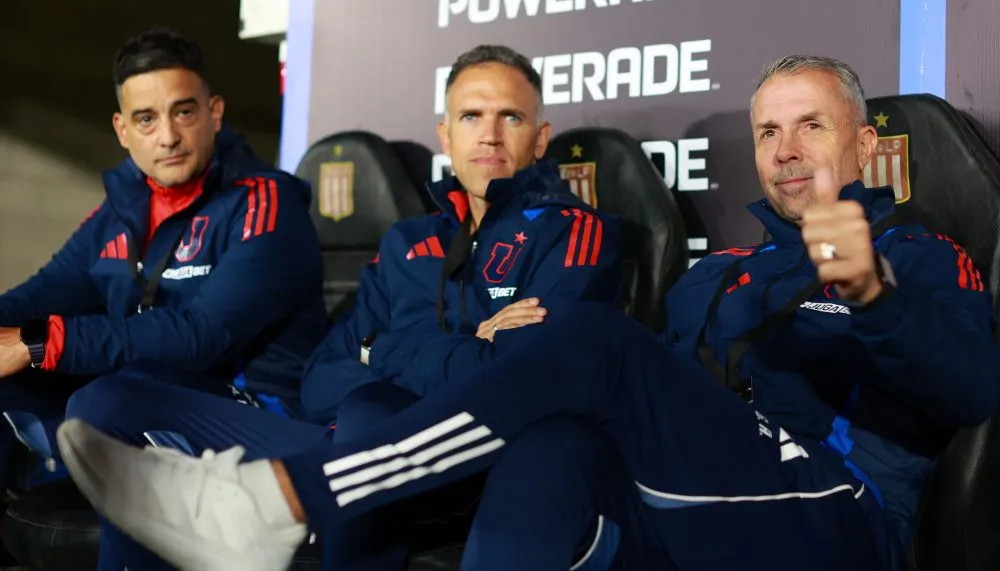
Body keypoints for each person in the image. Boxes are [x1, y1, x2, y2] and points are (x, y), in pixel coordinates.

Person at [57, 55, 1000, 571]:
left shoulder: (920, 256)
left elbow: (974, 387)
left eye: (813, 126)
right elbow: (669, 390)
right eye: (768, 130)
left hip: (838, 511)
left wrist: (872, 294)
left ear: (867, 140)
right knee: (554, 436)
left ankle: (280, 500)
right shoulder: (722, 273)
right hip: (699, 488)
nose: (788, 150)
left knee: (585, 342)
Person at [63, 43, 623, 570]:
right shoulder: (408, 242)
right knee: (113, 398)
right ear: (445, 136)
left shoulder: (575, 234)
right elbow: (321, 378)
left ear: (541, 138)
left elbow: (511, 379)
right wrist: (461, 346)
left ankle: (303, 502)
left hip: (462, 461)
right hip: (341, 449)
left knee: (373, 407)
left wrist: (379, 349)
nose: (490, 136)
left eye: (512, 118)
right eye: (472, 117)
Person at [0, 28, 326, 483]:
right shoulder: (120, 211)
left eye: (184, 112)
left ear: (214, 113)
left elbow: (200, 336)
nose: (168, 136)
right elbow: (42, 293)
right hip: (145, 393)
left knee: (110, 399)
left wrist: (41, 342)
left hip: (256, 413)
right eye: (147, 120)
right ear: (123, 130)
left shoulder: (268, 204)